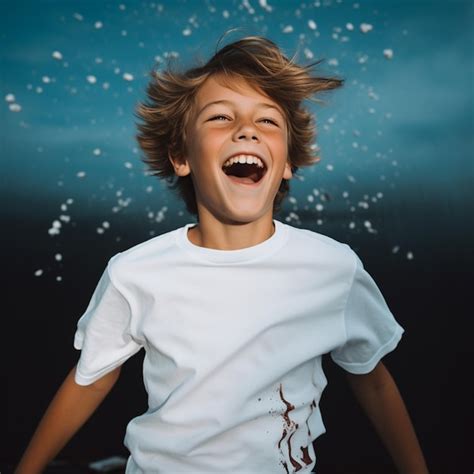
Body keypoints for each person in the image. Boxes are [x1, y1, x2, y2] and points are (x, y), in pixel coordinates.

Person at [15, 36, 429, 474]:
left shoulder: (333, 269)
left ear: (288, 161)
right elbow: (91, 379)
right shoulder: (135, 272)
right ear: (180, 156)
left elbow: (375, 382)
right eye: (220, 117)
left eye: (267, 120)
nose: (246, 129)